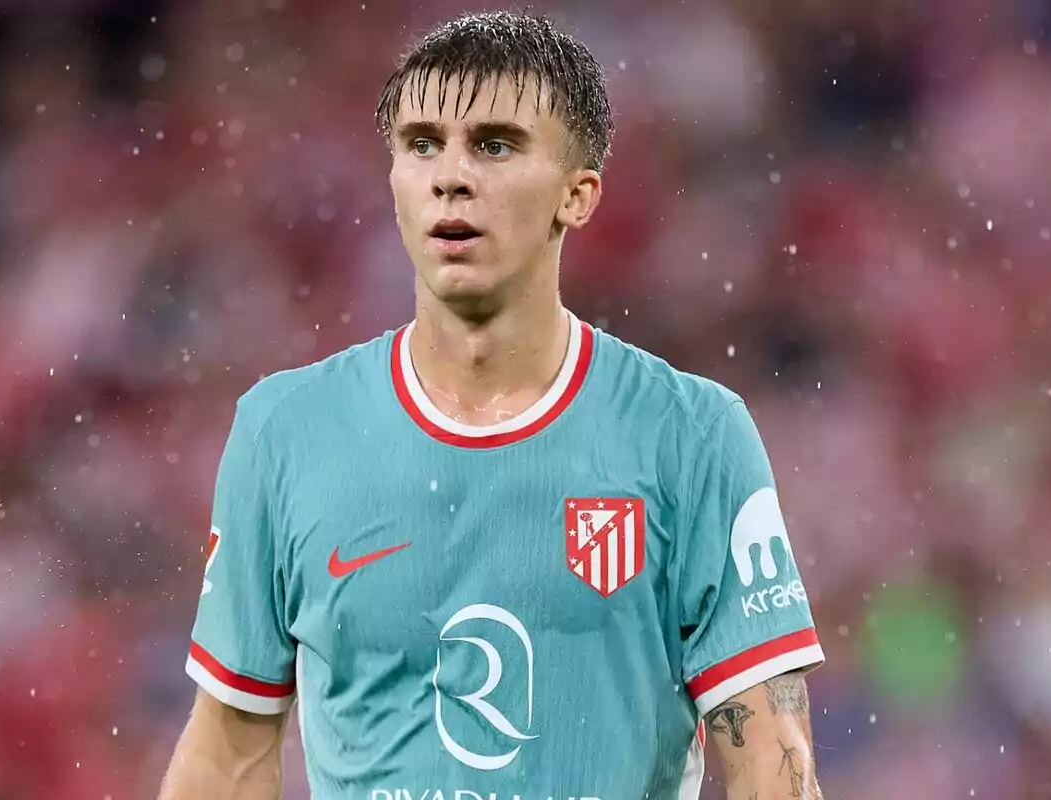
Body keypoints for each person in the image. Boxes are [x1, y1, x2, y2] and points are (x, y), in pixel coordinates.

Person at [159, 11, 825, 800]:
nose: (450, 174)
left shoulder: (691, 436)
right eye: (421, 144)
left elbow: (769, 764)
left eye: (495, 145)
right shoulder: (285, 432)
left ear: (577, 196)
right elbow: (228, 752)